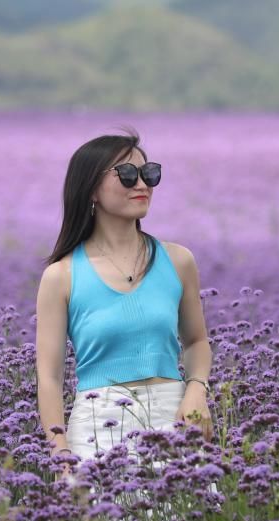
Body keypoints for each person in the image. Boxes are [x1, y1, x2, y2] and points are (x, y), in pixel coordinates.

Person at [35, 132, 213, 472]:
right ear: (91, 190)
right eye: (128, 175)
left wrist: (196, 392)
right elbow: (49, 377)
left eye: (149, 174)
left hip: (174, 419)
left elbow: (196, 341)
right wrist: (60, 455)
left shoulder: (178, 261)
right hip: (98, 427)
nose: (142, 184)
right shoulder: (61, 276)